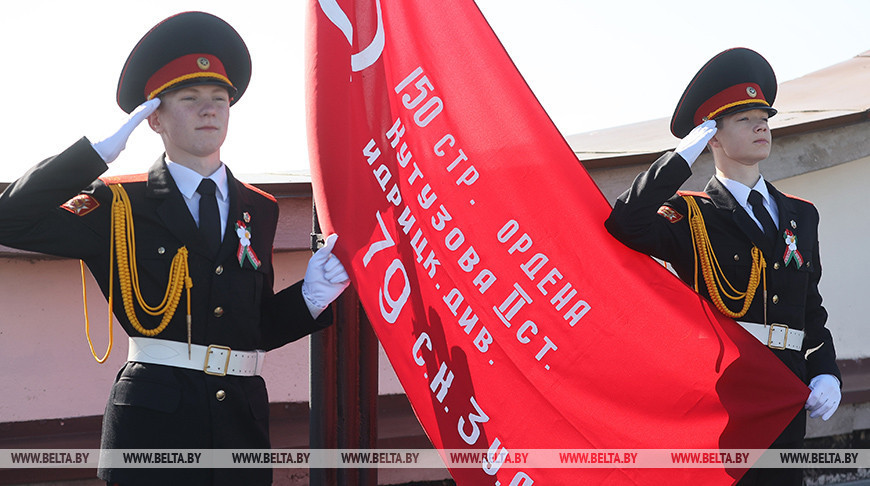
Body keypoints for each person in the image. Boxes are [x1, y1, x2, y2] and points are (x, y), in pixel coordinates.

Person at [0, 11, 349, 485]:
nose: (210, 110)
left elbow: (253, 330)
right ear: (154, 119)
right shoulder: (119, 203)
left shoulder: (258, 209)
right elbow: (10, 218)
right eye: (190, 99)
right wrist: (93, 155)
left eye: (220, 99)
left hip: (240, 432)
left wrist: (309, 298)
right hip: (153, 429)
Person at [604, 47, 841, 485]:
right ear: (711, 135)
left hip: (787, 387)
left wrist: (825, 367)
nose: (761, 124)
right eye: (744, 118)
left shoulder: (800, 215)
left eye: (763, 115)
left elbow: (811, 306)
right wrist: (678, 161)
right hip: (725, 389)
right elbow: (625, 224)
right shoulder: (691, 214)